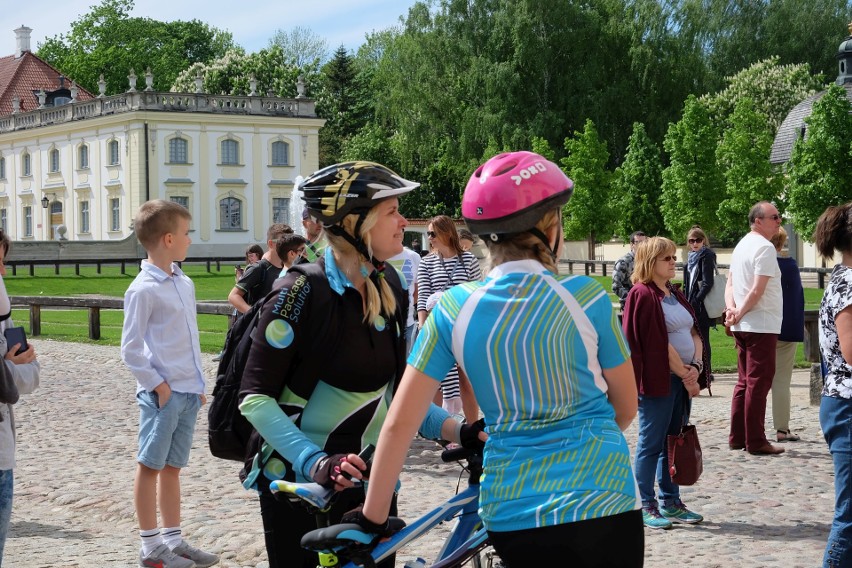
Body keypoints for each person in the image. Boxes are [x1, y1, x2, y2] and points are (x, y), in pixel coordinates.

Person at [353, 151, 643, 567]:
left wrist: (372, 520)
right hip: (604, 496)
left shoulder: (452, 309)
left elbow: (400, 423)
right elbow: (626, 406)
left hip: (513, 507)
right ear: (549, 227)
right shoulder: (586, 296)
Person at [237, 162, 474, 568]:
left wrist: (461, 431)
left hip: (373, 486)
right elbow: (254, 398)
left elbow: (398, 397)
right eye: (391, 212)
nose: (402, 222)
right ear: (354, 223)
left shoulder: (391, 286)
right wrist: (317, 462)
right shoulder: (300, 291)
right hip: (299, 486)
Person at [120, 200, 218, 568]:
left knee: (173, 468)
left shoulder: (183, 281)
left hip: (187, 391)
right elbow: (130, 348)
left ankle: (173, 539)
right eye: (187, 233)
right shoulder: (143, 289)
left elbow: (187, 338)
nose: (190, 240)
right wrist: (158, 386)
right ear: (167, 238)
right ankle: (150, 546)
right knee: (150, 465)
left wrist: (196, 383)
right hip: (162, 394)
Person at [623, 236, 705, 530]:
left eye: (674, 257)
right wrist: (685, 374)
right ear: (650, 262)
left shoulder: (673, 293)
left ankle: (671, 502)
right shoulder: (642, 294)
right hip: (659, 380)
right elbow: (655, 342)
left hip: (682, 378)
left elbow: (694, 331)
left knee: (673, 442)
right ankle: (645, 503)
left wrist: (696, 366)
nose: (674, 262)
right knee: (651, 442)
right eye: (667, 258)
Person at [724, 201, 784, 455]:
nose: (779, 221)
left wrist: (732, 311)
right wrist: (738, 311)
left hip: (743, 323)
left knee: (744, 382)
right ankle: (756, 441)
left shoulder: (741, 245)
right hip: (760, 323)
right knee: (758, 383)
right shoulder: (764, 247)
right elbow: (757, 289)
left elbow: (730, 285)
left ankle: (738, 437)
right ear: (758, 220)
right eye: (774, 217)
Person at [416, 215, 481, 421]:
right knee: (436, 381)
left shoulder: (469, 260)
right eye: (428, 233)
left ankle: (472, 426)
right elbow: (423, 298)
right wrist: (423, 328)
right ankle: (441, 430)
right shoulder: (426, 263)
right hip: (437, 328)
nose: (429, 237)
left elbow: (477, 295)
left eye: (433, 233)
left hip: (463, 329)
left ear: (446, 232)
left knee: (466, 381)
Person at [0, 229, 40, 566]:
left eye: (3, 262)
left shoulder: (5, 319)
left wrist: (7, 370)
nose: (2, 272)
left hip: (2, 452)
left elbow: (31, 376)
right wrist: (7, 367)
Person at [815, 202, 852, 567]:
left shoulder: (842, 275)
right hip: (847, 406)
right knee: (849, 519)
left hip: (841, 402)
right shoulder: (850, 282)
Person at [770, 227, 804, 443]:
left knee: (751, 381)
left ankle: (746, 428)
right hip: (784, 327)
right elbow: (796, 300)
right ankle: (782, 428)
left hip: (759, 327)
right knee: (781, 381)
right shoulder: (789, 265)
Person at [227, 224, 292, 314]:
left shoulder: (288, 269)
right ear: (271, 243)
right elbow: (233, 296)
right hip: (259, 326)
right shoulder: (258, 268)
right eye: (284, 242)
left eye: (291, 242)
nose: (289, 247)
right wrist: (255, 316)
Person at [683, 226, 717, 381]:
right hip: (689, 303)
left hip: (701, 305)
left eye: (698, 240)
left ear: (704, 240)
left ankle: (707, 373)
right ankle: (697, 369)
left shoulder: (707, 255)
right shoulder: (691, 257)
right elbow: (687, 282)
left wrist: (696, 301)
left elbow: (707, 283)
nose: (695, 243)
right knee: (692, 338)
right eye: (692, 240)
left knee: (703, 338)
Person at [387, 245, 421, 355]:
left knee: (407, 365)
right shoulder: (378, 255)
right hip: (385, 323)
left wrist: (407, 308)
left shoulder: (413, 256)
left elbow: (417, 290)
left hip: (408, 322)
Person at [612, 230, 646, 310]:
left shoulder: (647, 261)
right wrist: (633, 298)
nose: (643, 245)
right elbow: (616, 286)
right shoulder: (623, 262)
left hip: (646, 303)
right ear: (632, 245)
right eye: (639, 242)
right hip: (630, 305)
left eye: (645, 242)